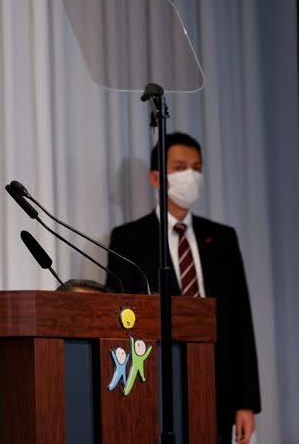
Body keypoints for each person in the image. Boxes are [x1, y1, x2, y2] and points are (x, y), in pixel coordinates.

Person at [106, 132, 261, 444]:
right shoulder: (129, 238)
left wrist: (247, 403)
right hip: (156, 381)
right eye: (180, 167)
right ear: (155, 177)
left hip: (217, 384)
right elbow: (117, 316)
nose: (191, 176)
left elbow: (240, 321)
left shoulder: (222, 238)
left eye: (197, 168)